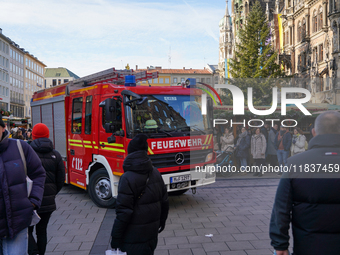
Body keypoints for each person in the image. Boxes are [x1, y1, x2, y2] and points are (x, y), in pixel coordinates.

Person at [270, 111, 340, 255]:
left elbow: (281, 208)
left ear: (314, 132)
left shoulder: (295, 163)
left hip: (308, 247)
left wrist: (280, 244)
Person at [110, 134, 169, 255]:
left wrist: (115, 238)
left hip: (132, 239)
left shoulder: (127, 178)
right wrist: (162, 221)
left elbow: (123, 212)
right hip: (151, 237)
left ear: (130, 152)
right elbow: (165, 202)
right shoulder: (156, 172)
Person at [0, 113, 46, 255]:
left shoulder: (20, 147)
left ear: (3, 128)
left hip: (16, 222)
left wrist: (33, 201)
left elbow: (39, 173)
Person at [28, 123, 65, 255]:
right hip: (48, 202)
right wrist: (52, 193)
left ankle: (33, 252)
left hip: (31, 201)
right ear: (48, 136)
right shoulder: (56, 154)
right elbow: (61, 179)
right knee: (42, 230)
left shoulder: (27, 153)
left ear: (33, 136)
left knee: (27, 230)